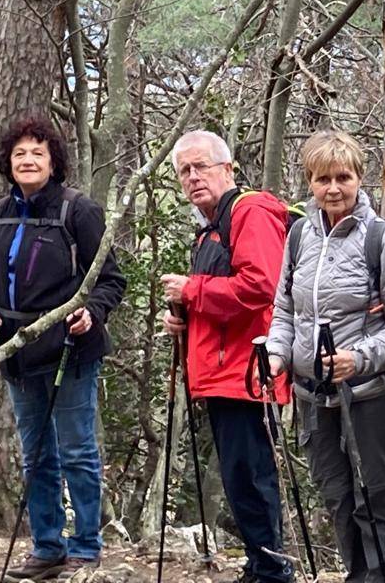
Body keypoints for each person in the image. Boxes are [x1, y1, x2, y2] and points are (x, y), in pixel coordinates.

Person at [0, 116, 126, 581]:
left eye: (37, 152)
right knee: (35, 452)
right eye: (20, 153)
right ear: (8, 161)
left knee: (77, 450)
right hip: (16, 352)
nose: (28, 160)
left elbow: (111, 280)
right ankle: (46, 547)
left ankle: (85, 547)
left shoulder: (78, 210)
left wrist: (90, 314)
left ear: (53, 160)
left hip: (69, 350)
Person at [266, 129, 385, 583]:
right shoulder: (298, 236)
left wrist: (359, 358)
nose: (333, 188)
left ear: (358, 178)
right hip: (312, 396)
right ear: (309, 182)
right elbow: (283, 309)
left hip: (371, 394)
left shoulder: (382, 238)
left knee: (377, 497)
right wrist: (277, 353)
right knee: (336, 495)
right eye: (322, 179)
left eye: (343, 177)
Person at [160, 130, 293, 583]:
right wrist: (183, 317)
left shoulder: (250, 212)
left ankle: (272, 572)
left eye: (202, 166)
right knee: (239, 476)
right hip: (222, 373)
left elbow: (261, 287)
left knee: (251, 475)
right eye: (184, 171)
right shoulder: (209, 230)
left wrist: (192, 290)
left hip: (249, 372)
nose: (194, 177)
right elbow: (217, 301)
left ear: (228, 169)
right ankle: (260, 567)